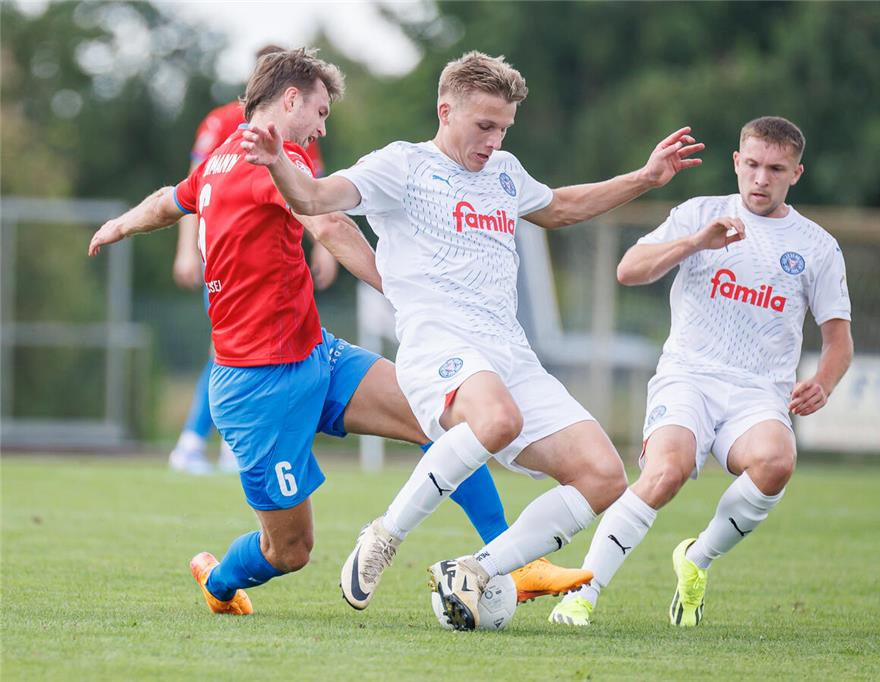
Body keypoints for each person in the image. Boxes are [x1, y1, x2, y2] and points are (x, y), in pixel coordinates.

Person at [88, 48, 584, 616]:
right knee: (289, 550)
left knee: (441, 415)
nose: (323, 126)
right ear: (290, 99)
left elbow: (167, 201)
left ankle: (515, 560)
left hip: (318, 356)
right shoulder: (266, 163)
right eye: (320, 112)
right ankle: (220, 582)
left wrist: (120, 224)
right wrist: (401, 291)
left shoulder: (226, 159)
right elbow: (327, 222)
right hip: (256, 387)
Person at [242, 50, 705, 629]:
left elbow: (559, 207)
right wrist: (278, 163)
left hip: (509, 353)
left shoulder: (506, 172)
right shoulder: (401, 166)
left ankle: (478, 569)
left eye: (503, 128)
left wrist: (644, 177)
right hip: (438, 346)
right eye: (484, 126)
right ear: (445, 111)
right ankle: (386, 534)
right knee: (497, 419)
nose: (493, 140)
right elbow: (314, 199)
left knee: (604, 476)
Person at [548, 116, 854, 628]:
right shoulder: (700, 214)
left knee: (777, 462)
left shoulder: (816, 245)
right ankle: (582, 593)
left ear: (796, 174)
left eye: (775, 169)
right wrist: (695, 244)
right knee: (665, 472)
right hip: (688, 376)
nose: (760, 178)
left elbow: (838, 340)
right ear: (736, 162)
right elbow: (629, 270)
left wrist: (823, 383)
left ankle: (697, 558)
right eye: (752, 165)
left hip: (759, 391)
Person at [168, 44, 338, 475]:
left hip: (275, 264)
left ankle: (212, 442)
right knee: (228, 349)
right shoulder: (224, 121)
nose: (319, 126)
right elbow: (193, 190)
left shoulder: (297, 133)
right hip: (231, 262)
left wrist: (323, 248)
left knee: (246, 349)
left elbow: (311, 194)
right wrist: (187, 249)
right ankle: (200, 441)